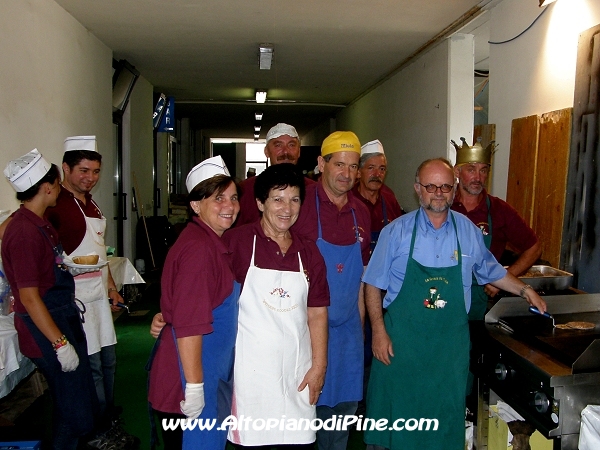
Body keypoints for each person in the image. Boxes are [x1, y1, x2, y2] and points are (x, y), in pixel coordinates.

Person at [362, 158, 547, 450]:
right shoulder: (396, 233)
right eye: (431, 186)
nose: (438, 193)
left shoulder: (468, 232)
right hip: (401, 347)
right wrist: (378, 331)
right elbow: (373, 284)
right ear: (417, 189)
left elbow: (493, 271)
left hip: (448, 351)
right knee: (395, 423)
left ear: (454, 189)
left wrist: (525, 291)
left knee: (443, 422)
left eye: (445, 186)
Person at [224, 163, 329, 447]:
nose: (287, 208)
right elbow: (207, 293)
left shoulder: (309, 252)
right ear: (260, 203)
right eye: (278, 199)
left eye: (294, 199)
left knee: (299, 441)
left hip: (298, 372)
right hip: (250, 376)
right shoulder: (237, 243)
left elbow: (317, 314)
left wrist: (319, 367)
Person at [44, 136, 137, 448]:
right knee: (92, 368)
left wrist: (112, 289)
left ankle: (107, 417)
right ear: (66, 169)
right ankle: (95, 431)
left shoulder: (92, 203)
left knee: (109, 362)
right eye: (83, 170)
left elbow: (99, 255)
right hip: (75, 299)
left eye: (96, 171)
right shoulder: (55, 206)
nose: (90, 177)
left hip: (97, 292)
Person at [2, 149, 97, 449]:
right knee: (73, 410)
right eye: (57, 185)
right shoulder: (24, 232)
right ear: (47, 187)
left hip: (60, 317)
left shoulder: (38, 224)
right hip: (46, 329)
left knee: (70, 404)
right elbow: (29, 299)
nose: (59, 190)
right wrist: (60, 344)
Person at [148, 156, 240, 450]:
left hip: (205, 372)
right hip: (187, 381)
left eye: (233, 197)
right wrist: (196, 387)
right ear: (196, 205)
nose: (230, 206)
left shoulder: (209, 241)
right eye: (218, 199)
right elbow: (189, 327)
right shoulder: (199, 250)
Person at [292, 131, 371, 450]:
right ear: (321, 163)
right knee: (301, 410)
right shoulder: (298, 204)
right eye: (339, 164)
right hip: (305, 327)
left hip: (348, 331)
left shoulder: (360, 212)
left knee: (341, 414)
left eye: (354, 167)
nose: (347, 174)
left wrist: (361, 329)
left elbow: (362, 278)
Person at [450, 137, 542, 320]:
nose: (478, 177)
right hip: (446, 293)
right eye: (471, 170)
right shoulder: (443, 206)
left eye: (483, 170)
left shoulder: (500, 210)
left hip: (480, 300)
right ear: (457, 172)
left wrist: (504, 278)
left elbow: (534, 247)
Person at [235, 123, 314, 226]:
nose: (286, 152)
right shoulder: (245, 190)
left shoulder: (313, 189)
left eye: (291, 145)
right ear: (266, 151)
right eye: (278, 145)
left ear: (299, 151)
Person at [352, 139, 403, 254]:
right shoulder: (348, 200)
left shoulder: (390, 199)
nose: (377, 174)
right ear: (359, 172)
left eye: (382, 169)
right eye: (371, 168)